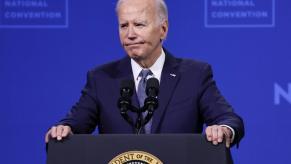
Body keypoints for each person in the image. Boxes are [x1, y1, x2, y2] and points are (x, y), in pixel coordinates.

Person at [45, 0, 244, 148]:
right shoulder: (101, 78)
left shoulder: (195, 75)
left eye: (139, 24)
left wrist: (224, 129)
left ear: (163, 29)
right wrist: (64, 129)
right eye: (124, 26)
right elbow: (75, 122)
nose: (130, 34)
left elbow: (229, 119)